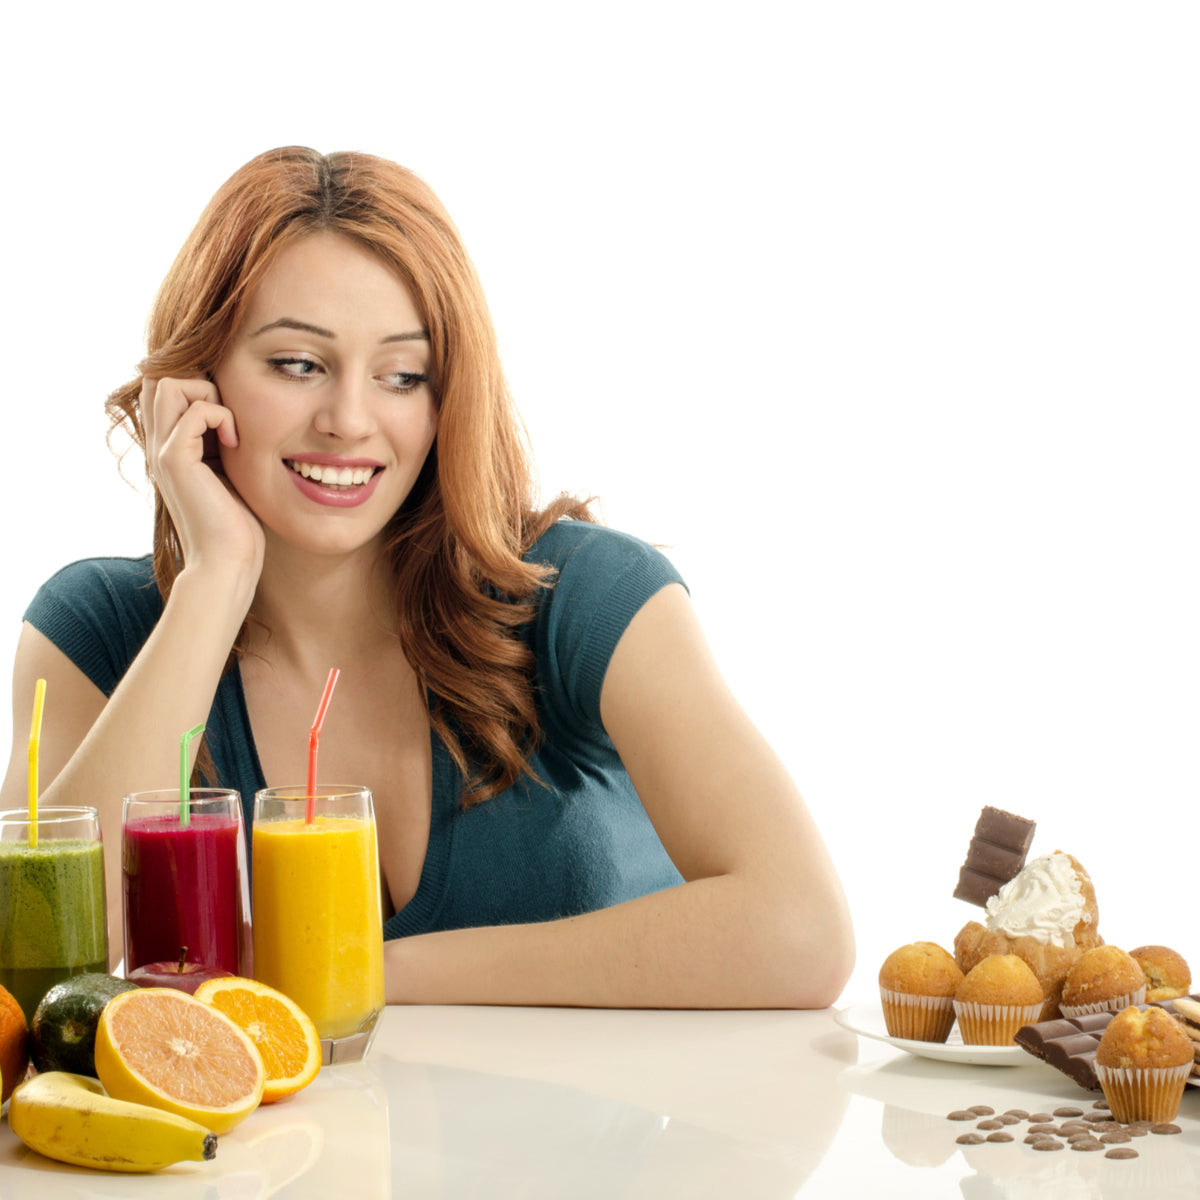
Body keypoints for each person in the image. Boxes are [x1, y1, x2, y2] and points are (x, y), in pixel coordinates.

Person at [0, 147, 853, 1008]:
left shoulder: (585, 601)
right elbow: (26, 968)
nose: (349, 421)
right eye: (297, 363)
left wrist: (367, 972)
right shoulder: (98, 630)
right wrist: (214, 580)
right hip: (293, 1150)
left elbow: (801, 932)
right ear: (197, 378)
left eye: (403, 376)